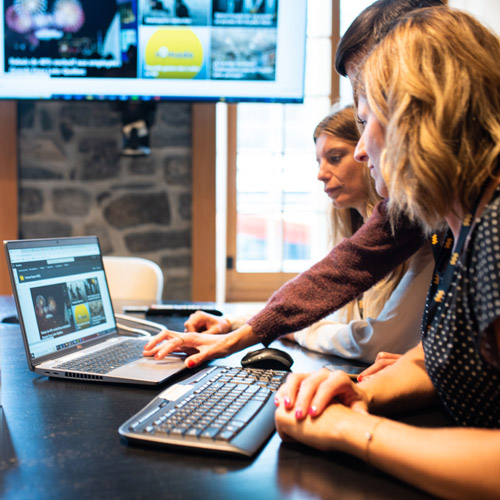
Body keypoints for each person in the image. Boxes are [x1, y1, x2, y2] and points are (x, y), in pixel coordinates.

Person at [142, 0, 443, 368]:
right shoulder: (420, 209)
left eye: (372, 113)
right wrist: (241, 331)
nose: (364, 150)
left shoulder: (476, 220)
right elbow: (339, 275)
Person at [275, 8, 500, 499]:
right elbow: (449, 356)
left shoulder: (496, 233)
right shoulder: (466, 225)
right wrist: (363, 391)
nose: (359, 150)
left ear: (416, 122)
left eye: (366, 119)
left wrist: (352, 431)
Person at [182, 106, 433, 363]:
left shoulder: (423, 226)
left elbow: (377, 343)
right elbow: (315, 297)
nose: (321, 174)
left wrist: (296, 331)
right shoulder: (359, 231)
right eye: (319, 161)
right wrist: (231, 323)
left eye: (335, 158)